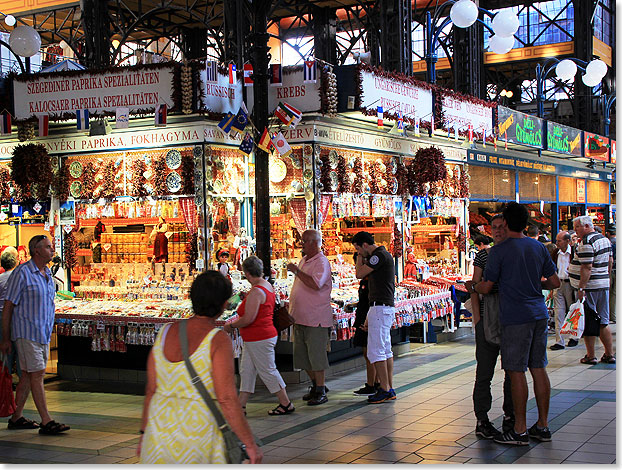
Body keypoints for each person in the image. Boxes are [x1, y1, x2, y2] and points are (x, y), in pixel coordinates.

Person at [139, 271, 262, 464]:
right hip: (198, 437)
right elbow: (227, 398)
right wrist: (250, 443)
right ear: (223, 305)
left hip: (158, 436)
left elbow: (151, 390)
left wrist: (143, 433)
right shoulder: (217, 340)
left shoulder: (165, 332)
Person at [467, 203, 560, 445]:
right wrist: (531, 283)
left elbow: (486, 286)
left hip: (515, 318)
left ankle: (519, 430)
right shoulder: (538, 247)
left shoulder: (499, 252)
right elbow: (554, 282)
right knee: (538, 368)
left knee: (515, 370)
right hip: (538, 314)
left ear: (507, 224)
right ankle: (543, 425)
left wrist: (472, 287)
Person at [0, 235, 70, 435]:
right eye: (48, 247)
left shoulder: (47, 273)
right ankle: (46, 420)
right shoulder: (22, 273)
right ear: (37, 251)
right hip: (26, 333)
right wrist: (5, 338)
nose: (52, 250)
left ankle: (16, 417)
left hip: (43, 333)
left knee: (28, 376)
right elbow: (8, 306)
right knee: (38, 374)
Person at [223, 256, 293, 416]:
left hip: (259, 337)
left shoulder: (256, 292)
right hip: (257, 337)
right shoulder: (265, 285)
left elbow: (248, 318)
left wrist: (231, 326)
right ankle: (241, 406)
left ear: (247, 273)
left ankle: (285, 403)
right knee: (247, 370)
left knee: (268, 370)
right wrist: (245, 296)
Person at [469, 214, 514, 439]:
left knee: (511, 372)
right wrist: (477, 319)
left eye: (501, 227)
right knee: (484, 373)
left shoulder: (515, 254)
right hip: (486, 322)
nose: (497, 231)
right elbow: (473, 286)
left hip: (510, 321)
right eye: (494, 227)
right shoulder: (483, 256)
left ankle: (510, 416)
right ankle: (482, 419)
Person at [286, 229, 333, 406]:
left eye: (304, 241)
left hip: (316, 318)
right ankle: (316, 386)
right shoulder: (305, 260)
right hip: (299, 318)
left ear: (315, 243)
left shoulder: (321, 262)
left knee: (316, 356)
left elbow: (315, 284)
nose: (301, 244)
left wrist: (297, 271)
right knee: (302, 357)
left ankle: (321, 390)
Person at [352, 231, 396, 404]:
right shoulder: (382, 255)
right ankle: (389, 387)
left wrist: (358, 260)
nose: (358, 253)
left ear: (364, 245)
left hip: (380, 307)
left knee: (376, 350)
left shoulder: (378, 256)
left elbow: (359, 273)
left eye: (357, 249)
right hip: (380, 308)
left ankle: (384, 389)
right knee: (385, 349)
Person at [568, 216, 615, 364]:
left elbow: (586, 267)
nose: (575, 231)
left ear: (587, 226)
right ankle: (609, 354)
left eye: (577, 227)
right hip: (602, 285)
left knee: (589, 321)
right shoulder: (604, 239)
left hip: (590, 288)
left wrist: (582, 287)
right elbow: (610, 261)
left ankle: (590, 355)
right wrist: (605, 278)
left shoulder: (587, 242)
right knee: (603, 320)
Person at [351, 252, 378, 396]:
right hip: (364, 316)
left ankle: (372, 384)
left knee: (369, 353)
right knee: (369, 352)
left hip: (367, 318)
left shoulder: (369, 280)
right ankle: (376, 382)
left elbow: (370, 301)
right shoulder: (368, 279)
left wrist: (366, 319)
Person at [550, 232, 577, 350]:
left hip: (570, 284)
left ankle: (573, 337)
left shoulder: (574, 252)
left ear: (567, 241)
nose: (557, 243)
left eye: (559, 241)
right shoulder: (556, 253)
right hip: (558, 283)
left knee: (573, 311)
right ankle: (559, 340)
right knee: (558, 312)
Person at [0, 249, 20, 378]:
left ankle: (6, 378)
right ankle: (22, 377)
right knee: (19, 350)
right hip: (17, 317)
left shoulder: (0, 278)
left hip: (1, 317)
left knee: (5, 350)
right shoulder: (19, 277)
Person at [605, 226, 616, 324]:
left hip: (610, 271)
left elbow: (610, 259)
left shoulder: (608, 243)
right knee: (614, 294)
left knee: (609, 293)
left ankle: (609, 315)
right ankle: (614, 315)